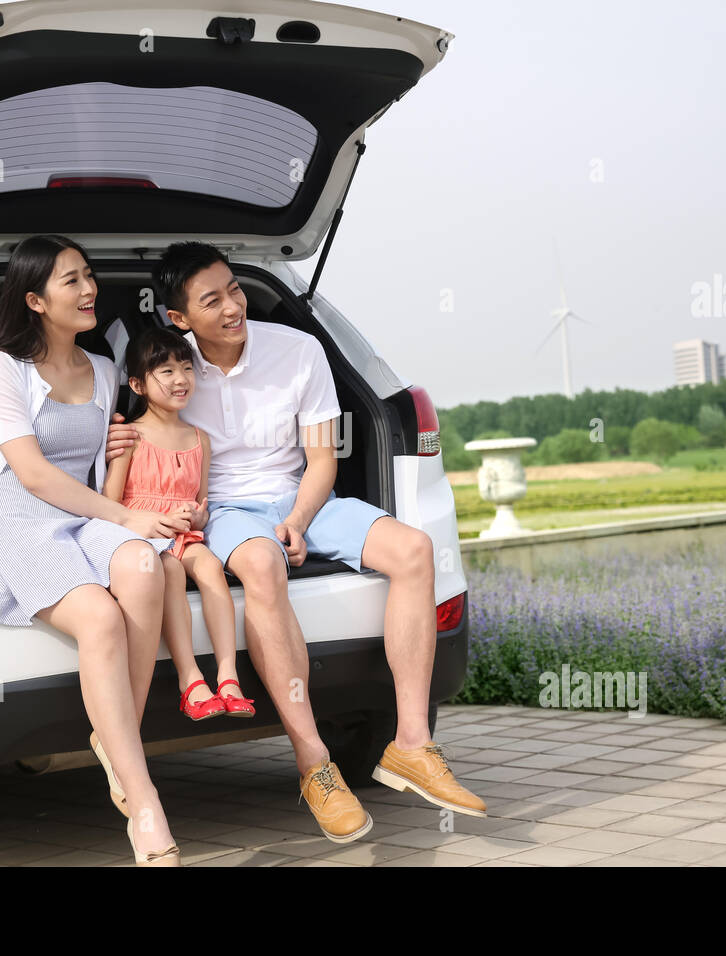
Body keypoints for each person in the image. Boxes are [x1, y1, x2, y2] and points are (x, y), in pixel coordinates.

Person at [106, 241, 486, 845]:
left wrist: (301, 519)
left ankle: (412, 744)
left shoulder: (299, 349)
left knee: (414, 551)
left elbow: (319, 461)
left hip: (301, 495)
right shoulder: (171, 370)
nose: (233, 306)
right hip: (226, 507)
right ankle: (315, 763)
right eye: (212, 300)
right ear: (179, 318)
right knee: (260, 564)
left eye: (234, 289)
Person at [0, 234, 187, 866]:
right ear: (34, 300)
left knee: (147, 565)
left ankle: (117, 746)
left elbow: (92, 474)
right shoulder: (3, 369)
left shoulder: (107, 370)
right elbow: (30, 474)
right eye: (71, 280)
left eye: (88, 275)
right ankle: (143, 802)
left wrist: (128, 508)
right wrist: (125, 516)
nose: (89, 289)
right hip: (18, 516)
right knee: (100, 616)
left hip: (81, 511)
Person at [102, 327, 256, 722]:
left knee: (209, 567)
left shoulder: (199, 439)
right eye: (166, 371)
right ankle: (190, 679)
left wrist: (197, 516)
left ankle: (228, 676)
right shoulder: (130, 437)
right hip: (146, 537)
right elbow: (109, 506)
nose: (180, 379)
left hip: (184, 534)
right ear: (137, 383)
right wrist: (155, 522)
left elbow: (201, 501)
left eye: (186, 368)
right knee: (168, 569)